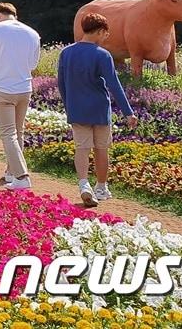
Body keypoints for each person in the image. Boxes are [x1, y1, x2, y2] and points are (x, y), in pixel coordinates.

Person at [57, 13, 138, 207]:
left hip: (77, 108)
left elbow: (61, 84)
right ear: (100, 31)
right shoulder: (102, 55)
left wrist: (69, 106)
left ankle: (84, 184)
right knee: (101, 148)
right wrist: (128, 112)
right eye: (105, 34)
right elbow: (114, 85)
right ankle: (101, 187)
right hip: (99, 109)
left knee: (82, 148)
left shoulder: (66, 53)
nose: (105, 38)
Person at [0, 2, 42, 190]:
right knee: (18, 132)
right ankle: (11, 172)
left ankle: (22, 176)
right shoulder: (32, 33)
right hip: (24, 87)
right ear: (14, 14)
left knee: (8, 133)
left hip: (2, 87)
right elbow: (33, 64)